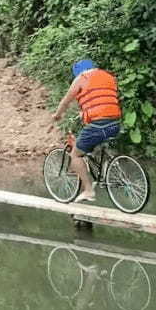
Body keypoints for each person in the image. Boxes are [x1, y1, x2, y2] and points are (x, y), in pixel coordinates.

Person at [50, 59, 122, 203]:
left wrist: (57, 115)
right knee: (94, 144)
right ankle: (106, 170)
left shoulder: (81, 79)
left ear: (77, 72)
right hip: (115, 123)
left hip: (98, 125)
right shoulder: (108, 76)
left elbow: (66, 100)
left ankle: (88, 191)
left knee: (75, 155)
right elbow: (102, 99)